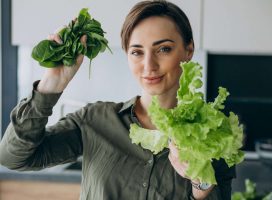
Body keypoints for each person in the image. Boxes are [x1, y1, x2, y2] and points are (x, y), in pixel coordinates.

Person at [0, 1, 236, 199]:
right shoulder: (94, 121)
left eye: (163, 49)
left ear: (188, 50)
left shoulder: (213, 134)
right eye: (137, 51)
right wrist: (51, 85)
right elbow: (13, 158)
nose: (149, 65)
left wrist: (201, 183)